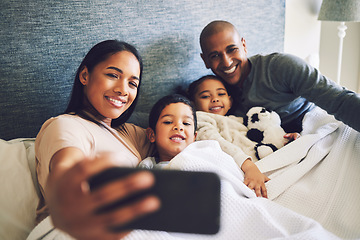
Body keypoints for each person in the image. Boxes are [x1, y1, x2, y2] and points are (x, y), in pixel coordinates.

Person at [34, 40, 160, 240]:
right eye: (113, 75)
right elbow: (66, 170)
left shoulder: (129, 134)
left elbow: (175, 140)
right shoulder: (66, 125)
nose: (123, 90)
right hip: (73, 229)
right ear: (85, 75)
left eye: (132, 83)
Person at [199, 20, 360, 133]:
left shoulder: (281, 66)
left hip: (314, 128)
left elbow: (340, 100)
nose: (226, 62)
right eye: (214, 56)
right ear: (205, 60)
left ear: (244, 45)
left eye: (232, 49)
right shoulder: (215, 93)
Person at [187, 75, 298, 197]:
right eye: (205, 96)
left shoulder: (242, 120)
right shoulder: (200, 119)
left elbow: (265, 136)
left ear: (230, 101)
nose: (215, 99)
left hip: (267, 162)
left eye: (221, 94)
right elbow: (214, 142)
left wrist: (285, 139)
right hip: (245, 171)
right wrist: (249, 166)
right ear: (192, 105)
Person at [138, 94, 198, 169]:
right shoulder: (147, 166)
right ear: (152, 135)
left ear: (194, 137)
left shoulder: (202, 160)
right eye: (168, 122)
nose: (179, 127)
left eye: (186, 123)